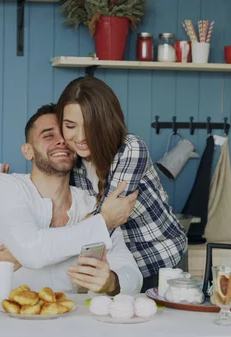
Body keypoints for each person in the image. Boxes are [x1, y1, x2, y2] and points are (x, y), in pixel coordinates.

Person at [0, 104, 142, 295]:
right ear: (28, 151)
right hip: (4, 317)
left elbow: (132, 274)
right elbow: (32, 250)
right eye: (48, 136)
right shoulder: (5, 187)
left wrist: (111, 282)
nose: (62, 142)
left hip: (66, 317)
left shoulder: (90, 205)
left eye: (66, 137)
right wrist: (102, 223)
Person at [56, 76, 188, 292]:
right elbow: (91, 219)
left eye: (90, 126)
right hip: (117, 270)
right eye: (70, 126)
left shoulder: (130, 149)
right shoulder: (76, 165)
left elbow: (110, 219)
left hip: (161, 263)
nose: (80, 136)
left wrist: (45, 246)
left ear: (105, 122)